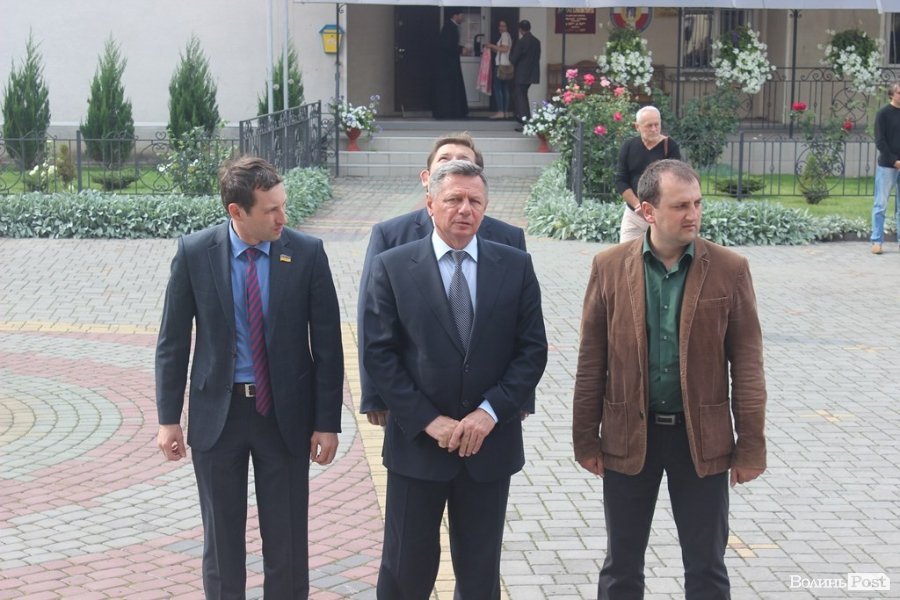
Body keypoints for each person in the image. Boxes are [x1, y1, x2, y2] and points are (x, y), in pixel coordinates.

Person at [572, 159, 767, 599]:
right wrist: (585, 438)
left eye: (697, 203)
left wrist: (751, 445)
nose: (693, 214)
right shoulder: (608, 267)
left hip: (701, 440)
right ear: (648, 211)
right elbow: (591, 362)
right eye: (680, 206)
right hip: (628, 435)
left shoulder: (730, 268)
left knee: (707, 567)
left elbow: (748, 366)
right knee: (621, 566)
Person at [155, 156, 344, 598]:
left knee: (287, 541)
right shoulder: (195, 253)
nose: (283, 217)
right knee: (222, 544)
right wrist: (168, 419)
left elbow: (328, 347)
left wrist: (327, 422)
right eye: (271, 210)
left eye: (283, 204)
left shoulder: (307, 253)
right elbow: (172, 342)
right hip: (217, 418)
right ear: (236, 211)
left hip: (284, 416)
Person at [364, 160, 548, 599]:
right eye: (454, 199)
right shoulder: (393, 266)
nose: (465, 209)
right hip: (418, 447)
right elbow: (379, 354)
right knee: (405, 571)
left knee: (480, 575)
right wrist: (429, 421)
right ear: (430, 203)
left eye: (475, 201)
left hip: (488, 448)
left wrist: (490, 413)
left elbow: (531, 350)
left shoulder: (515, 265)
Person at [357, 132, 531, 428]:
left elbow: (525, 334)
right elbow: (373, 327)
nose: (464, 208)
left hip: (490, 419)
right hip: (416, 415)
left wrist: (517, 400)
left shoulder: (509, 241)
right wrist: (375, 396)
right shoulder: (391, 238)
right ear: (427, 179)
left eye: (462, 161)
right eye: (444, 160)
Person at [615, 105, 681, 243]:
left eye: (657, 124)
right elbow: (620, 180)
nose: (654, 129)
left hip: (660, 215)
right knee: (627, 253)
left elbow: (676, 181)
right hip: (634, 215)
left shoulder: (670, 147)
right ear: (637, 127)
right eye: (649, 126)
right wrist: (637, 205)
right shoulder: (629, 146)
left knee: (660, 253)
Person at [870, 80, 900, 255]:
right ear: (891, 95)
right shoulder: (883, 114)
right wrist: (894, 161)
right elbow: (880, 140)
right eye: (899, 93)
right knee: (880, 204)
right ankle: (877, 241)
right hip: (887, 166)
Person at [433, 9, 469, 120]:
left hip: (450, 63)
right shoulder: (449, 27)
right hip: (447, 65)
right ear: (455, 15)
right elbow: (447, 45)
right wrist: (460, 49)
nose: (462, 18)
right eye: (461, 15)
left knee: (452, 87)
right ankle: (450, 112)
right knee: (450, 88)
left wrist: (460, 48)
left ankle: (454, 111)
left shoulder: (451, 27)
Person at [509, 19, 541, 128]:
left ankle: (525, 122)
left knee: (521, 97)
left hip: (522, 74)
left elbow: (513, 59)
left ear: (520, 29)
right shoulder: (536, 41)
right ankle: (525, 119)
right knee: (523, 96)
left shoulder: (522, 42)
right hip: (532, 73)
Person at [484, 20, 513, 119]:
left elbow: (504, 49)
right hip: (506, 64)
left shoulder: (504, 35)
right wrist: (492, 48)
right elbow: (502, 50)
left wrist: (491, 45)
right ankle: (505, 112)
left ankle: (500, 111)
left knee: (498, 88)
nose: (501, 28)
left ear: (507, 27)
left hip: (501, 65)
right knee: (505, 88)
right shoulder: (508, 36)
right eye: (500, 26)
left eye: (503, 26)